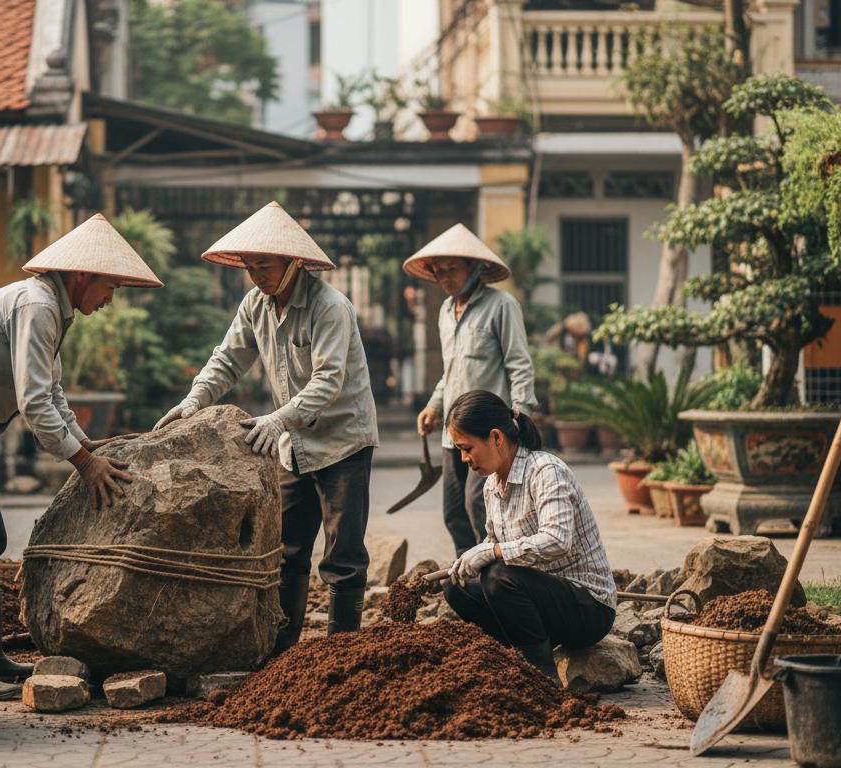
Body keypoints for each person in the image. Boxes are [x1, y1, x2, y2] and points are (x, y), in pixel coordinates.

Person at [0, 213, 162, 700]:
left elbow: (52, 391)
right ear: (82, 275)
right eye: (110, 287)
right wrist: (83, 462)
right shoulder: (37, 305)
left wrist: (83, 443)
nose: (109, 300)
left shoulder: (52, 311)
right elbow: (33, 401)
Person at [154, 201, 378, 652]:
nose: (257, 275)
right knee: (287, 549)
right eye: (250, 266)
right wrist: (194, 401)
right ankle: (282, 651)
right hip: (294, 446)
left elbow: (328, 379)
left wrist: (277, 419)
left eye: (265, 265)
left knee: (343, 556)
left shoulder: (329, 306)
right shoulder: (256, 304)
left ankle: (341, 654)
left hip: (342, 442)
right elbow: (229, 358)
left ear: (293, 261)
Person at [440, 389, 616, 681]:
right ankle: (510, 659)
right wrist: (473, 558)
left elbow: (557, 541)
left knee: (498, 577)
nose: (463, 458)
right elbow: (494, 543)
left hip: (588, 609)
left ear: (496, 437)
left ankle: (540, 677)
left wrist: (491, 552)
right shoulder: (491, 486)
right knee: (455, 586)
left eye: (467, 448)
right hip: (537, 601)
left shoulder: (546, 472)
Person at [404, 223, 536, 557]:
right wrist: (434, 405)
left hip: (490, 430)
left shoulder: (502, 306)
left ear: (475, 268)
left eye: (453, 269)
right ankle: (470, 576)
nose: (445, 277)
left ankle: (497, 573)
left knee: (480, 504)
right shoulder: (446, 311)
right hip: (454, 433)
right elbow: (451, 371)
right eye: (439, 270)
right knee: (454, 511)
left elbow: (519, 365)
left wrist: (522, 420)